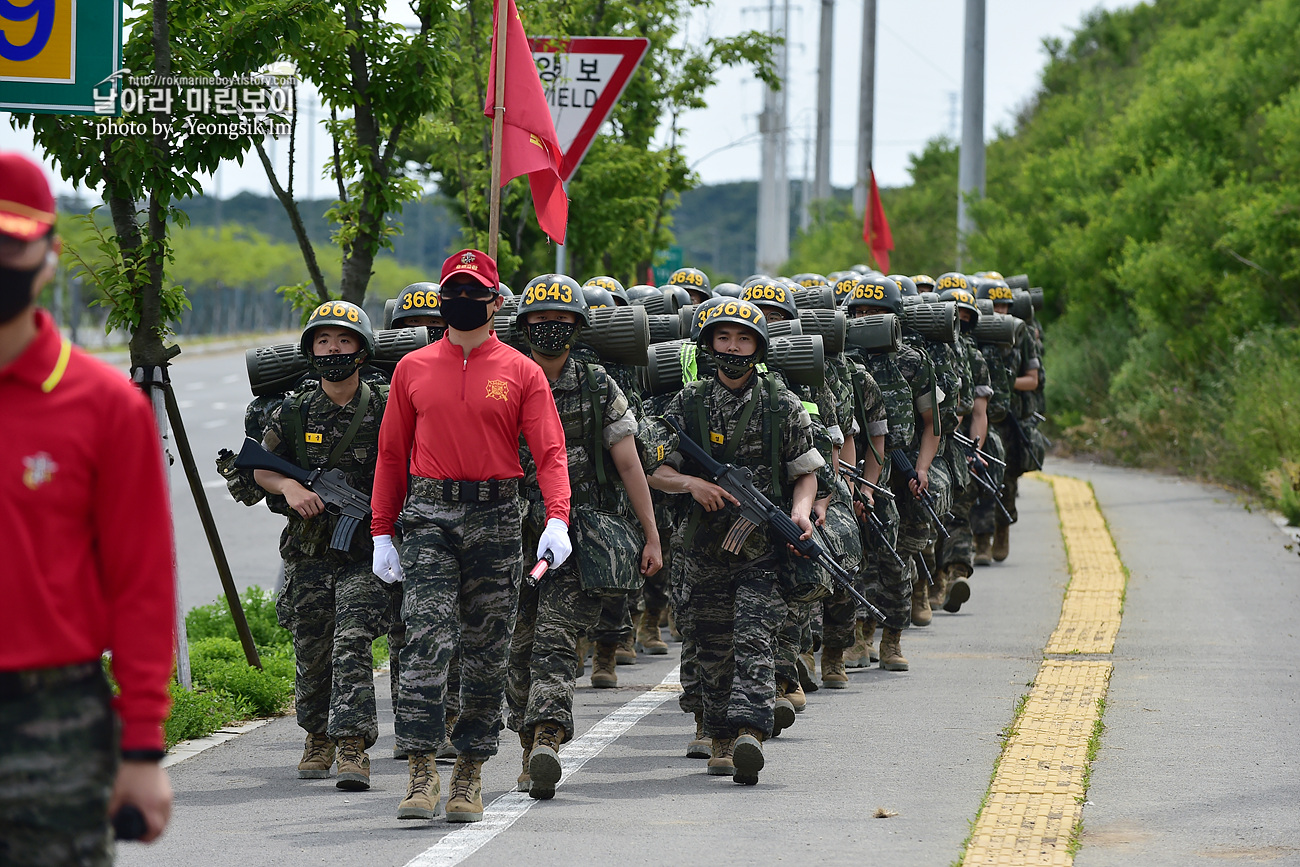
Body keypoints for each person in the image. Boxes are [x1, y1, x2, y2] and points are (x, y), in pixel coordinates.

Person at [0, 151, 174, 863]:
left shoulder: (104, 408)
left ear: (48, 255)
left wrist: (142, 745)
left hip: (53, 720)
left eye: (10, 244)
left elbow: (141, 587)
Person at [371, 249, 571, 823]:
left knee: (486, 652)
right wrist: (384, 532)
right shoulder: (413, 369)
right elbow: (390, 456)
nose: (461, 301)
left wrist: (556, 517)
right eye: (452, 292)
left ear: (495, 301)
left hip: (497, 517)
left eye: (472, 292)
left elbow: (550, 450)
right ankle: (418, 769)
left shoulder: (521, 371)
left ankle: (468, 774)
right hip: (429, 514)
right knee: (424, 642)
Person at [650, 298, 823, 786]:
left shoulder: (781, 404)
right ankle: (719, 736)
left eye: (743, 339)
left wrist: (798, 511)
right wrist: (694, 486)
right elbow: (656, 470)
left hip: (761, 547)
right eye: (723, 339)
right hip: (704, 549)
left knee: (753, 636)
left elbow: (806, 471)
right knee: (711, 644)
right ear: (709, 345)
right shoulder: (686, 404)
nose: (733, 348)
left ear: (758, 347)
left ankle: (749, 731)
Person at [505, 274, 662, 800]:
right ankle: (528, 740)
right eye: (541, 321)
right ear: (523, 326)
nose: (551, 330)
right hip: (508, 532)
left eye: (562, 321)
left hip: (577, 533)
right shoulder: (499, 381)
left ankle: (545, 741)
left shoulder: (598, 386)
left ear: (579, 326)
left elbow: (629, 463)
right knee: (514, 642)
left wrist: (651, 534)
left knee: (553, 636)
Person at [254, 300, 395, 791]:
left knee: (351, 639)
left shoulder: (387, 404)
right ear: (310, 349)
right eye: (323, 341)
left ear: (362, 349)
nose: (333, 349)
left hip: (367, 551)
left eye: (344, 341)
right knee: (311, 646)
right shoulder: (294, 410)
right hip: (311, 553)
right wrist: (291, 488)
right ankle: (317, 736)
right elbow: (259, 466)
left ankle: (353, 745)